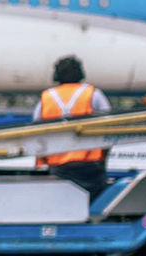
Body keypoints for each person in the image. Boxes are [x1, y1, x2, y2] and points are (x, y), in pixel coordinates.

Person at [33, 55, 111, 199]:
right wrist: (103, 159)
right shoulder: (93, 94)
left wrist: (43, 162)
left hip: (59, 164)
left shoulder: (47, 97)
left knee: (63, 203)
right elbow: (109, 127)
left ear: (56, 75)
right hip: (90, 164)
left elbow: (36, 132)